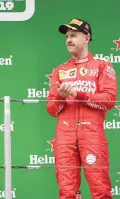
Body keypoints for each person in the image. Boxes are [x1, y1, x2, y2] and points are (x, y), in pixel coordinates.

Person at [47, 18, 117, 199]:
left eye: (74, 35)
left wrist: (79, 94)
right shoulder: (59, 71)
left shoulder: (102, 66)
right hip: (65, 136)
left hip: (92, 134)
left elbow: (109, 100)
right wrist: (62, 97)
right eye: (67, 36)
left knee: (100, 189)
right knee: (67, 191)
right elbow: (51, 109)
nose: (69, 40)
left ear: (87, 38)